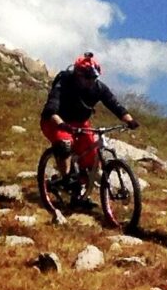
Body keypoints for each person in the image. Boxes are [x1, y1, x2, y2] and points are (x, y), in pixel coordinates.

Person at [41, 53, 137, 219]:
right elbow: (51, 107)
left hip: (80, 123)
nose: (91, 80)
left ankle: (80, 194)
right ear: (78, 75)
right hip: (56, 121)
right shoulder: (64, 81)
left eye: (94, 77)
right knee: (65, 144)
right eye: (87, 77)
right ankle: (66, 180)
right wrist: (61, 123)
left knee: (91, 162)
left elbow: (114, 104)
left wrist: (129, 120)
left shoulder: (98, 88)